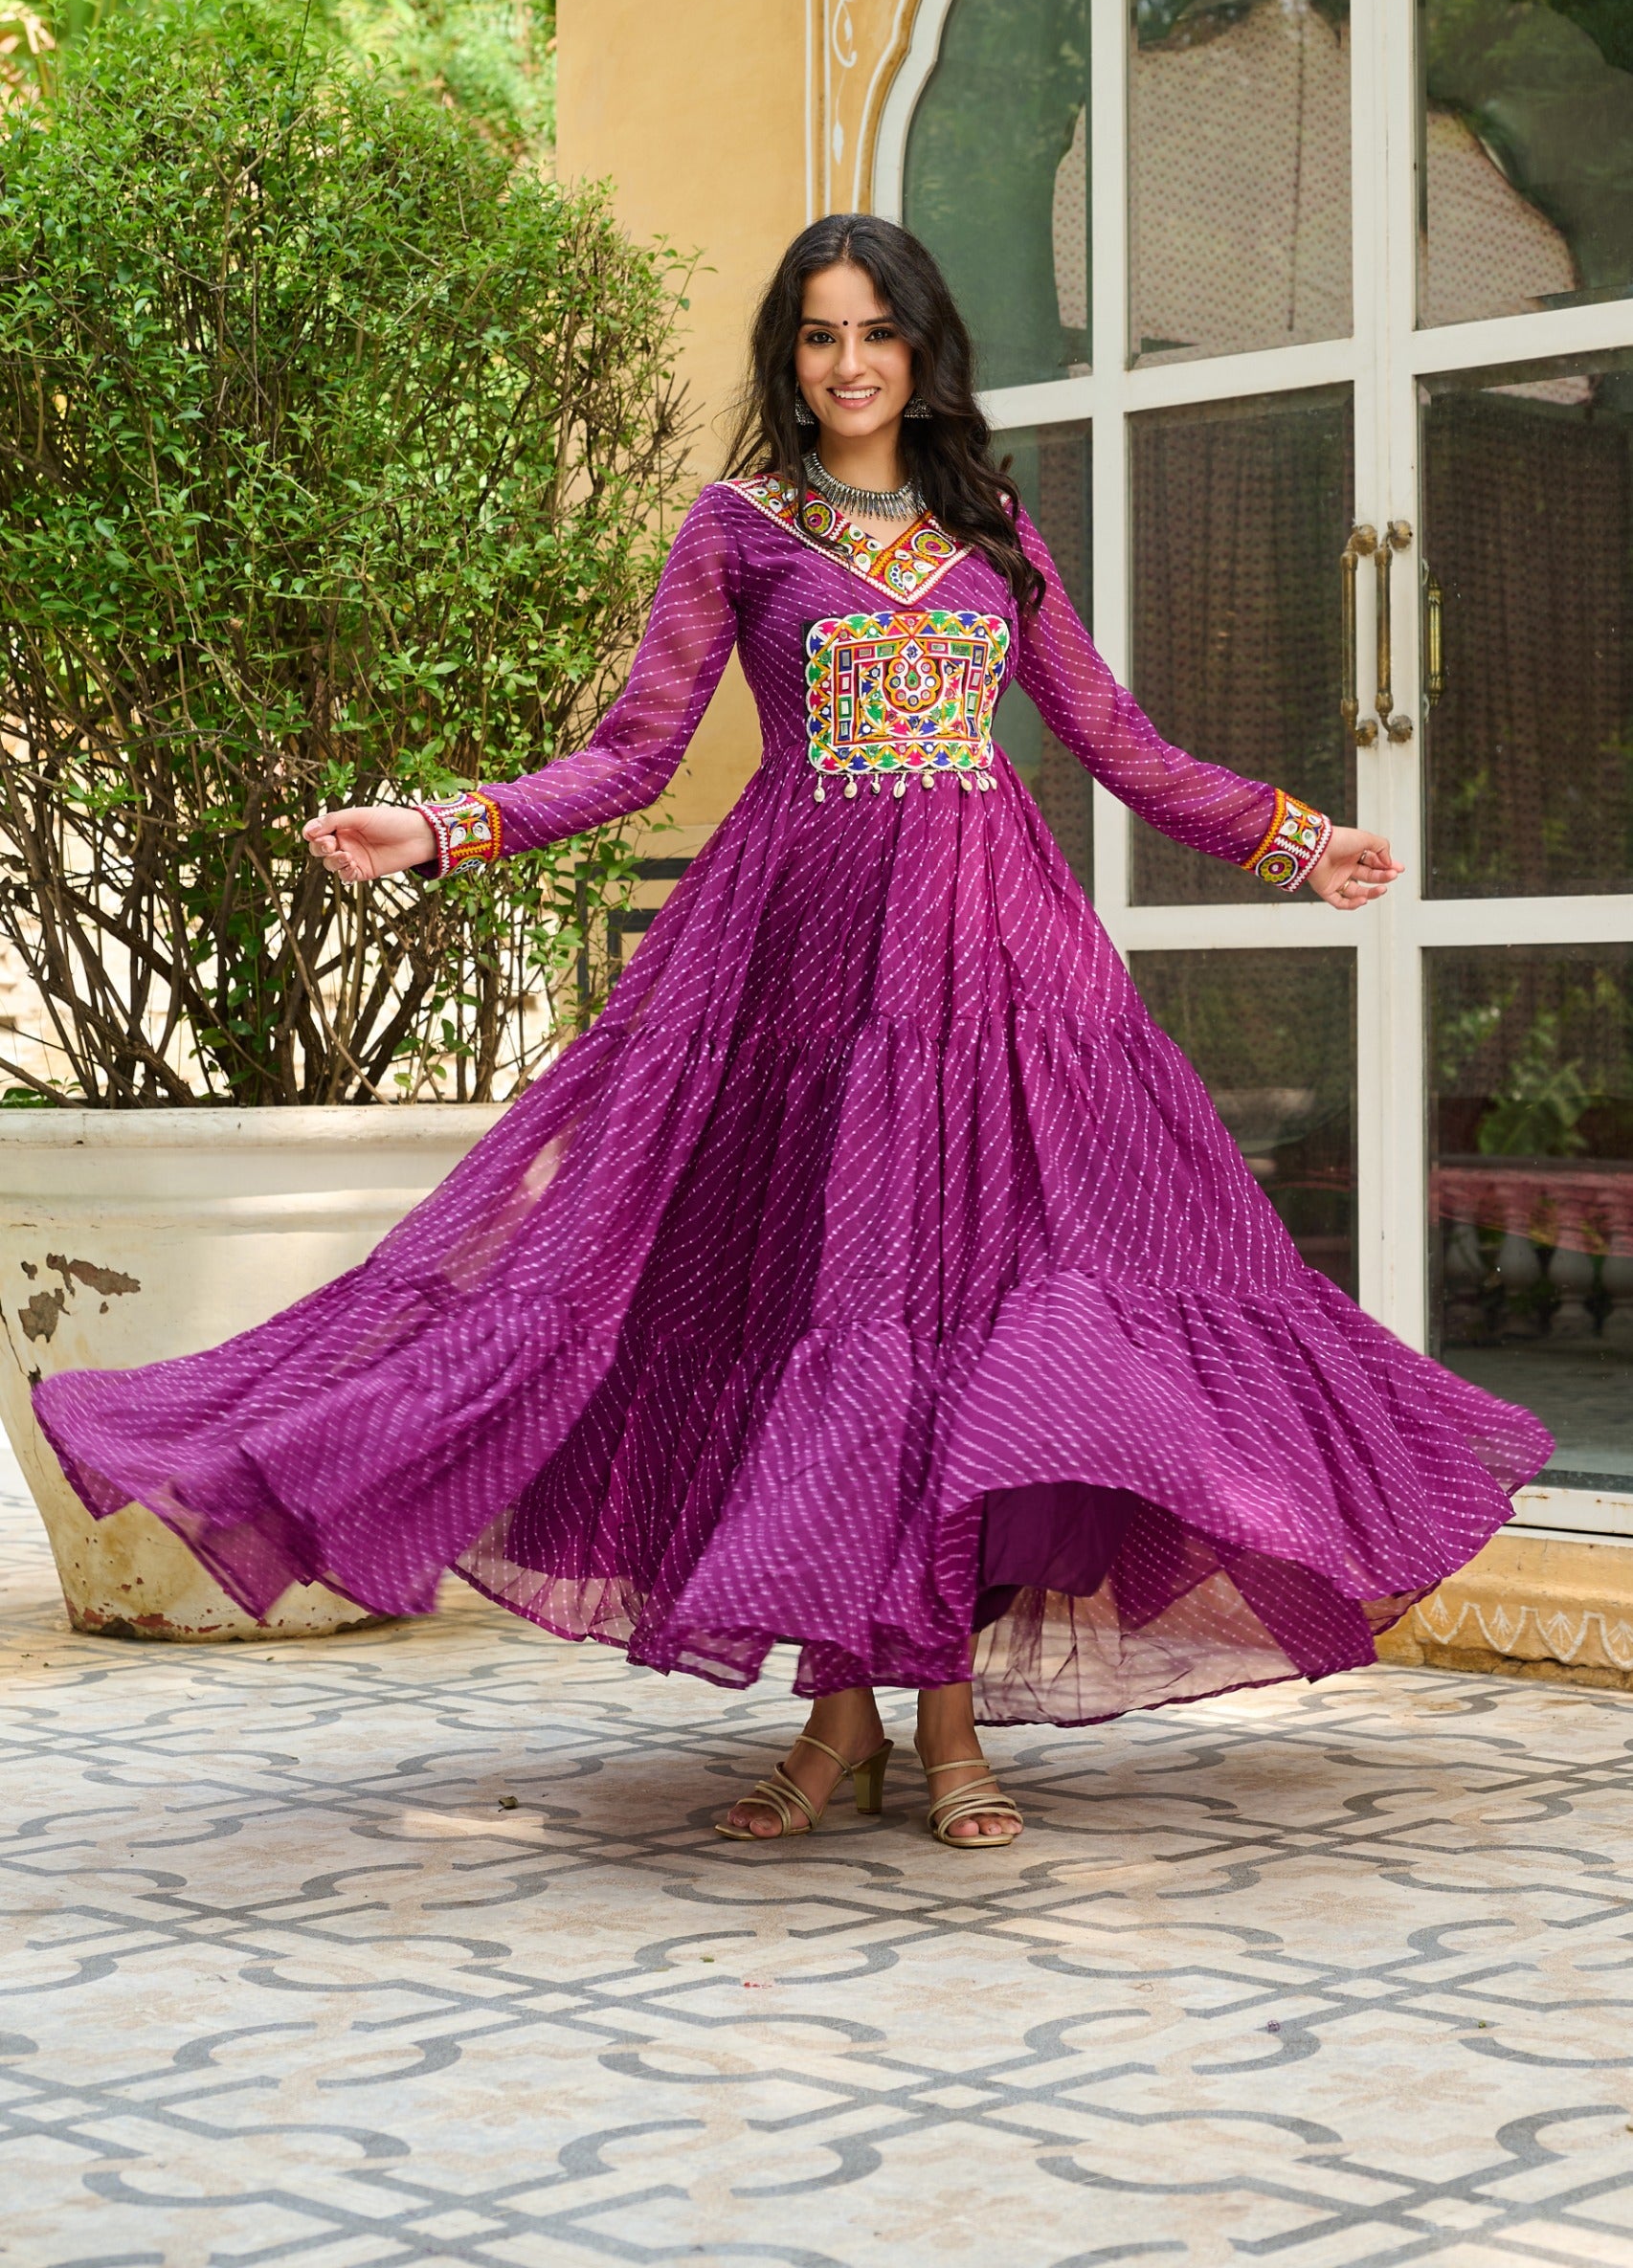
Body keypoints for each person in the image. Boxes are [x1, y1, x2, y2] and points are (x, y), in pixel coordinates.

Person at [35, 216, 1552, 1849]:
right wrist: (440, 824)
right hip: (797, 983)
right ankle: (842, 1725)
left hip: (995, 988)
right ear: (789, 356)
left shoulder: (990, 527)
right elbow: (631, 754)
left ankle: (953, 1734)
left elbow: (1117, 742)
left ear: (922, 350)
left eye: (875, 333)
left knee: (975, 1350)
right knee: (821, 1342)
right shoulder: (739, 527)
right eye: (818, 336)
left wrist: (1290, 838)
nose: (846, 365)